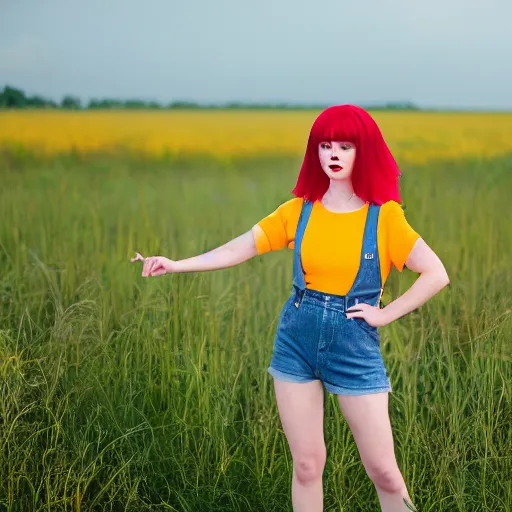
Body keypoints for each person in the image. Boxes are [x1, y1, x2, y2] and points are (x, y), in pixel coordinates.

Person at [132, 105, 450, 512]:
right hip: (296, 340)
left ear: (362, 153)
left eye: (345, 146)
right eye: (325, 145)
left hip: (354, 345)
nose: (333, 154)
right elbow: (240, 247)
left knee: (384, 471)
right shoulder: (299, 209)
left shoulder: (384, 216)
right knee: (306, 464)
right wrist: (176, 264)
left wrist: (385, 314)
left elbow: (435, 273)